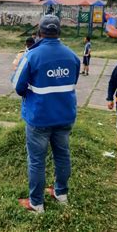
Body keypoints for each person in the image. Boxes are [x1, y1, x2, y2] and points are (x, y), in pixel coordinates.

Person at [12, 15, 80, 213]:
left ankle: (36, 203)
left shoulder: (32, 55)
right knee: (62, 155)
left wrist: (16, 68)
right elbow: (72, 81)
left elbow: (18, 87)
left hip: (39, 117)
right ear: (59, 32)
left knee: (36, 160)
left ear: (39, 33)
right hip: (65, 115)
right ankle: (61, 193)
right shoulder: (71, 56)